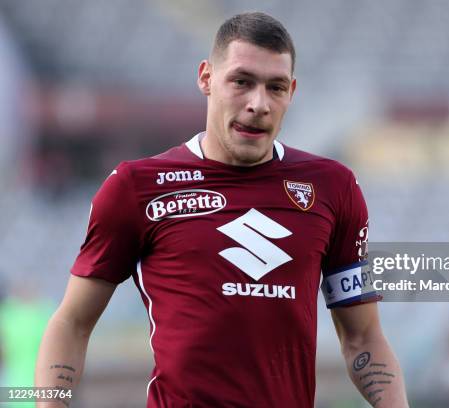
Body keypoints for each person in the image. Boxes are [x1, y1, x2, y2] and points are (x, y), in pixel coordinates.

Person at [35, 12, 409, 408]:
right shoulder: (136, 188)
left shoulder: (334, 188)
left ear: (292, 92)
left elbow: (364, 338)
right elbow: (71, 324)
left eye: (275, 87)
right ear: (206, 78)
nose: (258, 104)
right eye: (242, 82)